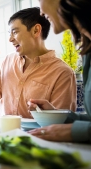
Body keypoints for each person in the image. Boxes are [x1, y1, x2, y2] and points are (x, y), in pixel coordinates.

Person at [0, 7, 77, 118]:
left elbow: (61, 123)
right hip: (2, 132)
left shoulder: (63, 73)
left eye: (15, 32)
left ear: (36, 30)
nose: (10, 39)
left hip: (35, 135)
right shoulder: (8, 60)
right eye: (10, 33)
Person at [28, 0, 91, 143]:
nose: (42, 13)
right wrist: (56, 115)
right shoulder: (87, 52)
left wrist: (74, 131)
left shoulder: (63, 70)